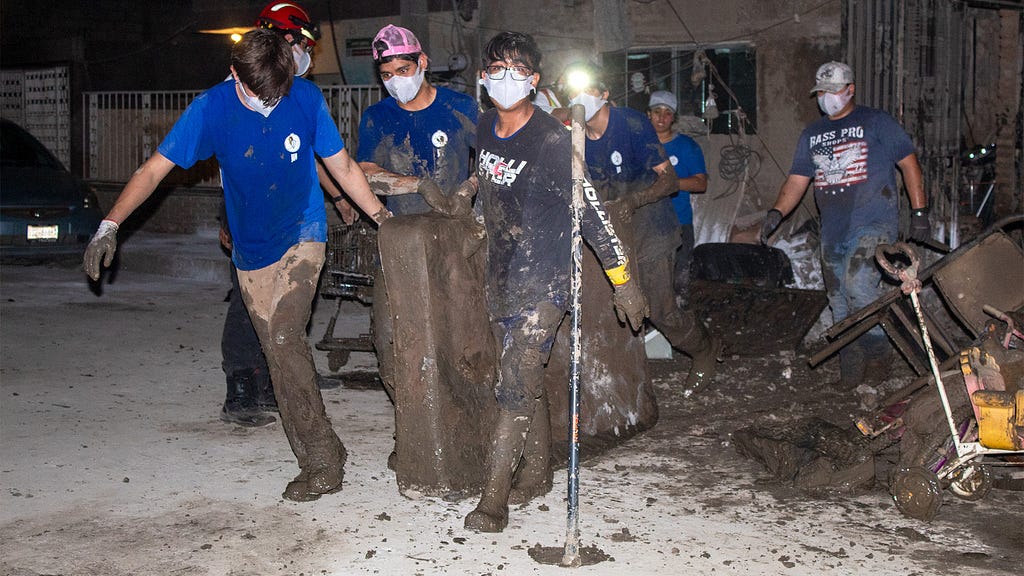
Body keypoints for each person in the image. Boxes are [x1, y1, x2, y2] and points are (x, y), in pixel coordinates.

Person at [83, 29, 392, 502]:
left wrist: (383, 219)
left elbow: (343, 167)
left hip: (303, 232)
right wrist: (110, 224)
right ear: (234, 75)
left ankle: (322, 460)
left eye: (277, 93)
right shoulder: (211, 108)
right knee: (279, 355)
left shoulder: (305, 98)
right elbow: (153, 170)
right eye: (258, 94)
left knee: (285, 338)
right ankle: (321, 449)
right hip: (251, 251)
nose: (270, 103)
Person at [447, 31, 648, 533]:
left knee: (515, 387)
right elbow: (487, 182)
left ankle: (493, 501)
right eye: (497, 69)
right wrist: (467, 197)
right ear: (483, 77)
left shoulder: (553, 142)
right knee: (522, 381)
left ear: (533, 80)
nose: (506, 79)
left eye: (518, 71)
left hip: (544, 283)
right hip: (502, 276)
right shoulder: (484, 127)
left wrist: (624, 280)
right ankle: (536, 474)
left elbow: (591, 212)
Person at [217, 1, 347, 428]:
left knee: (290, 299)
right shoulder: (240, 88)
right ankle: (241, 387)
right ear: (283, 39)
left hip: (291, 212)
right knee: (248, 301)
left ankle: (280, 379)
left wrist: (340, 197)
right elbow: (231, 167)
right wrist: (226, 218)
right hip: (250, 211)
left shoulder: (291, 90)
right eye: (303, 45)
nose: (306, 55)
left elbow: (311, 155)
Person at [760, 61, 929, 387]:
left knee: (859, 286)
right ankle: (850, 370)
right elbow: (797, 181)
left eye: (833, 90)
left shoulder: (876, 122)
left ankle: (879, 355)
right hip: (833, 229)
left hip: (873, 223)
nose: (826, 97)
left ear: (850, 89)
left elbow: (910, 165)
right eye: (821, 92)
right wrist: (776, 213)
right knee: (838, 299)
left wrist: (920, 212)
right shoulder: (812, 134)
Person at [561, 61, 721, 392]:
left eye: (588, 89)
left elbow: (670, 180)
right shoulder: (574, 136)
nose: (580, 97)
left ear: (605, 94)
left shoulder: (631, 124)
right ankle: (625, 376)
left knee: (661, 310)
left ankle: (704, 349)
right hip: (610, 232)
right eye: (573, 91)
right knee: (610, 306)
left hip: (652, 226)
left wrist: (635, 201)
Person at [357, 24, 479, 215]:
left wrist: (469, 189)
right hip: (405, 224)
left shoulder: (460, 106)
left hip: (454, 220)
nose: (395, 81)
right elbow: (366, 170)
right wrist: (418, 185)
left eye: (403, 70)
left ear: (422, 62)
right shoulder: (377, 117)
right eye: (387, 75)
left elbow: (493, 158)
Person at [646, 90, 708, 302]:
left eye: (667, 113)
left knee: (679, 284)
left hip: (679, 224)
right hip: (645, 225)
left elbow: (701, 183)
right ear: (648, 114)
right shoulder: (638, 145)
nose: (661, 117)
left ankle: (679, 318)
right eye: (657, 111)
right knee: (649, 284)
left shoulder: (687, 146)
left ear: (673, 118)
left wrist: (671, 183)